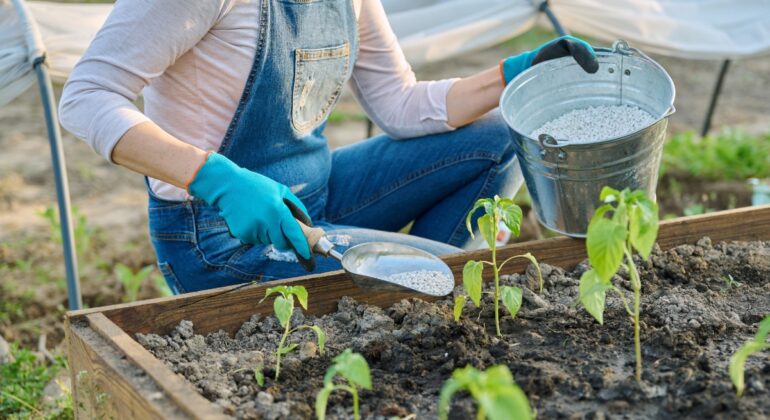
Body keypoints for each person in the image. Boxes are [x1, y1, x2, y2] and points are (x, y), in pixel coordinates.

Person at [59, 0, 598, 294]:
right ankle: (423, 290)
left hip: (320, 193)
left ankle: (420, 293)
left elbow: (399, 102)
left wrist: (510, 75)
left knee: (501, 135)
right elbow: (85, 96)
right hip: (220, 236)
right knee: (444, 278)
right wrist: (215, 178)